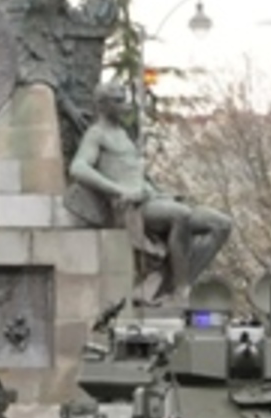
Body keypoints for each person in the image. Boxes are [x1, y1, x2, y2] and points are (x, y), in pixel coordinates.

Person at [68, 84, 231, 298]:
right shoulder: (96, 134)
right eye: (117, 101)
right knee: (180, 215)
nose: (124, 106)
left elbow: (135, 174)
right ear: (102, 105)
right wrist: (118, 191)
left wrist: (162, 192)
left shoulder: (124, 134)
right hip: (131, 209)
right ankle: (182, 290)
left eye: (123, 100)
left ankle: (176, 282)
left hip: (152, 199)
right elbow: (78, 168)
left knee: (220, 224)